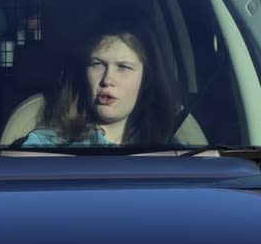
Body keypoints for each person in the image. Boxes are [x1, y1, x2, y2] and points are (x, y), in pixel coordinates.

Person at [22, 14, 177, 147]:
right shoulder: (45, 147)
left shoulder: (176, 154)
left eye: (123, 67)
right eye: (97, 64)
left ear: (147, 79)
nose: (107, 79)